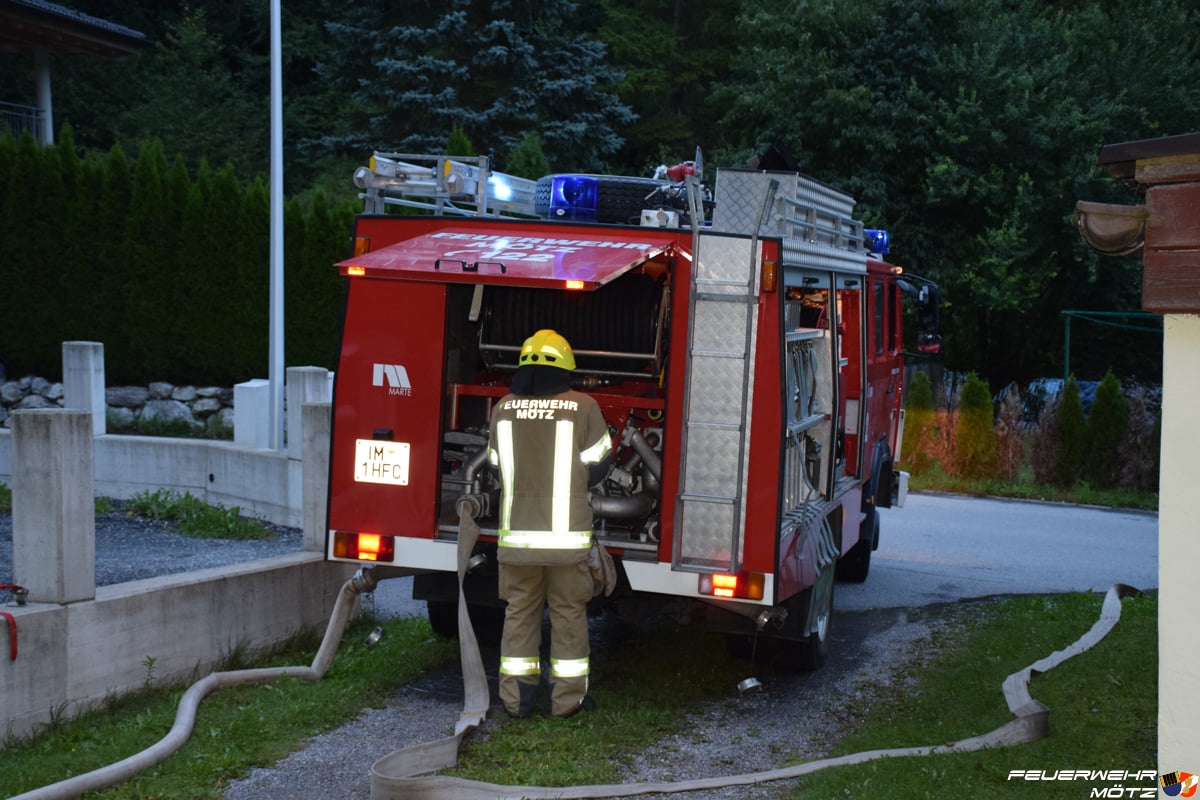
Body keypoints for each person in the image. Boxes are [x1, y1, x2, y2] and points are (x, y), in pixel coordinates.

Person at [487, 329, 612, 718]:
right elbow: (599, 467)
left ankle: (516, 701)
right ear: (565, 367)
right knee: (568, 613)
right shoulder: (584, 407)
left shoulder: (503, 408)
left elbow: (495, 468)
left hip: (516, 542)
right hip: (567, 545)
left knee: (519, 613)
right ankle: (567, 702)